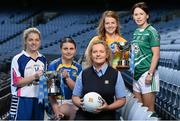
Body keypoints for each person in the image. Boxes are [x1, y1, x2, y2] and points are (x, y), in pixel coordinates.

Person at [72, 40, 126, 120]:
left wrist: (108, 107)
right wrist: (81, 104)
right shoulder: (83, 74)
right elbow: (75, 96)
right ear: (91, 55)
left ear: (107, 54)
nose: (98, 54)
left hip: (106, 115)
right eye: (95, 52)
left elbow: (122, 100)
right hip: (85, 115)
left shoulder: (116, 74)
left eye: (101, 51)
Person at [9, 27, 47, 120]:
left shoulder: (43, 59)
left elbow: (44, 82)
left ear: (40, 41)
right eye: (31, 40)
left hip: (39, 99)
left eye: (37, 40)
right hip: (22, 99)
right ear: (25, 41)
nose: (34, 42)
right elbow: (16, 82)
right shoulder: (18, 58)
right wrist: (35, 76)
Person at [131, 2, 160, 112]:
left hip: (147, 74)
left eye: (141, 14)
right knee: (139, 110)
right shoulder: (136, 32)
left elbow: (156, 55)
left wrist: (150, 74)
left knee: (149, 110)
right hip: (136, 74)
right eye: (136, 14)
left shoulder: (152, 32)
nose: (138, 17)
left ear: (147, 15)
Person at [48, 37, 82, 120]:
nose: (68, 51)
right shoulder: (54, 65)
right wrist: (56, 111)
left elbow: (78, 91)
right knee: (74, 111)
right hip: (57, 102)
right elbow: (51, 94)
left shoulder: (78, 67)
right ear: (61, 49)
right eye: (65, 49)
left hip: (74, 101)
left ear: (75, 49)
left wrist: (67, 78)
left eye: (71, 48)